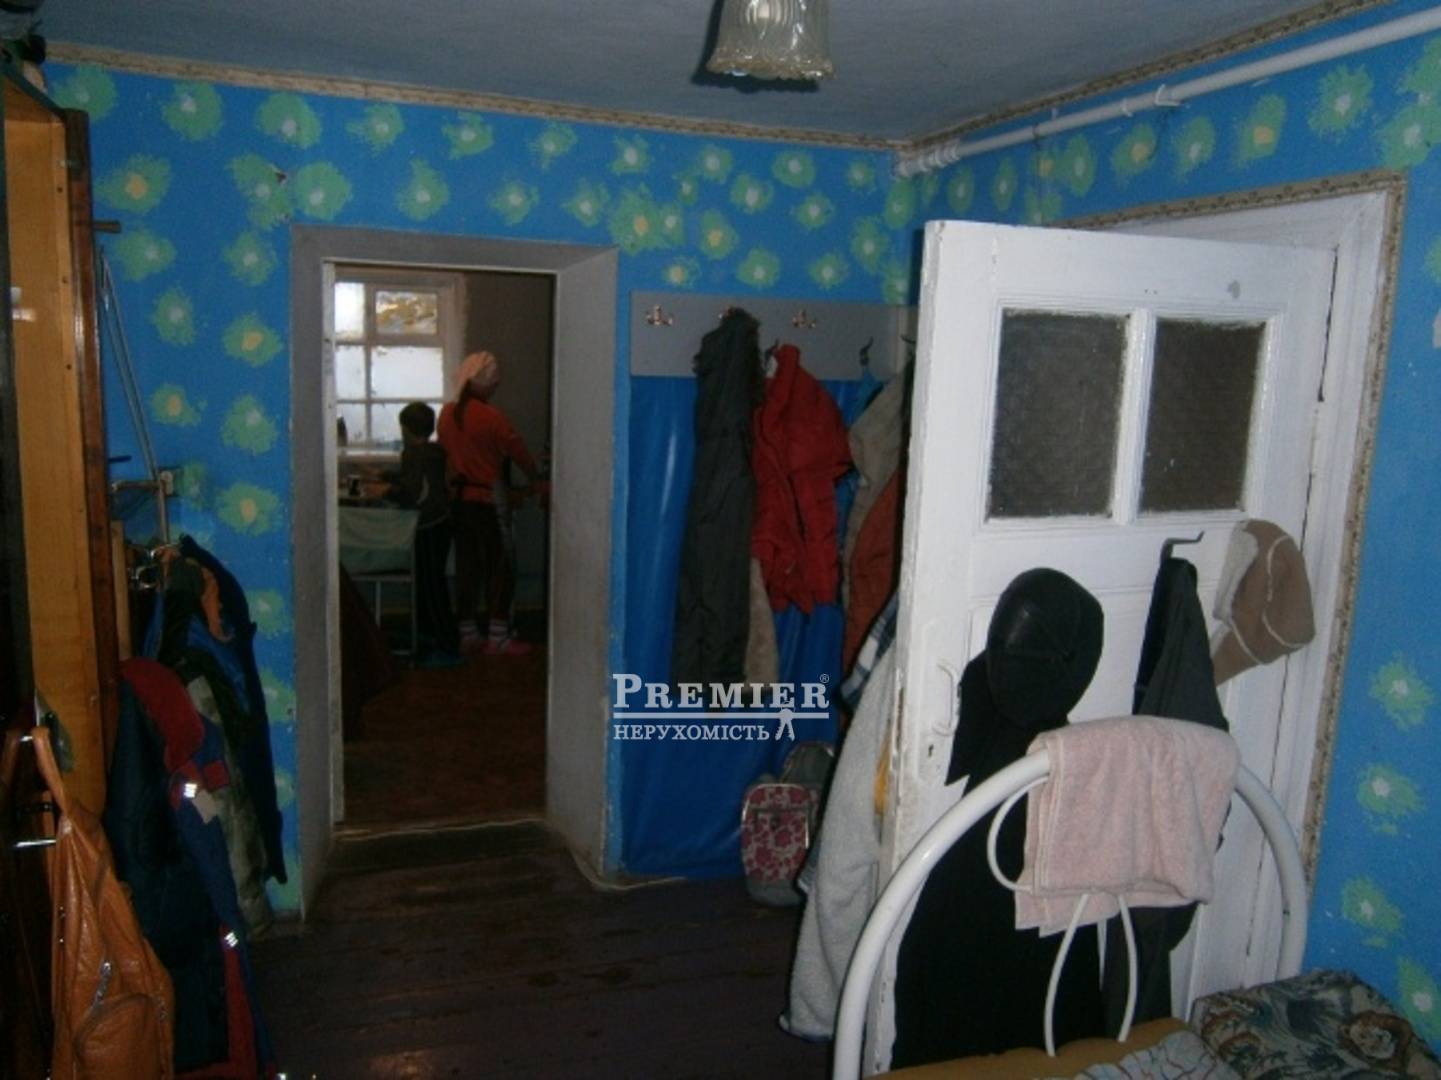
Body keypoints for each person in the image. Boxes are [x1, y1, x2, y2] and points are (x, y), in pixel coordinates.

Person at [437, 351, 545, 655]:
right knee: (501, 567)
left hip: (459, 502)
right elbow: (519, 452)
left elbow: (447, 457)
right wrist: (536, 480)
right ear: (486, 384)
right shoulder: (491, 417)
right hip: (488, 500)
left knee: (467, 567)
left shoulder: (446, 415)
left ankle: (468, 632)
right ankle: (498, 636)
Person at [376, 402, 463, 668]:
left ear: (406, 429)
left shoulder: (414, 454)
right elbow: (420, 481)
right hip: (440, 523)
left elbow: (413, 492)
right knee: (429, 583)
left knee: (432, 586)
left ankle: (447, 646)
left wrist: (385, 491)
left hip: (429, 526)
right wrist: (387, 476)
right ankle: (430, 636)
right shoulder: (435, 452)